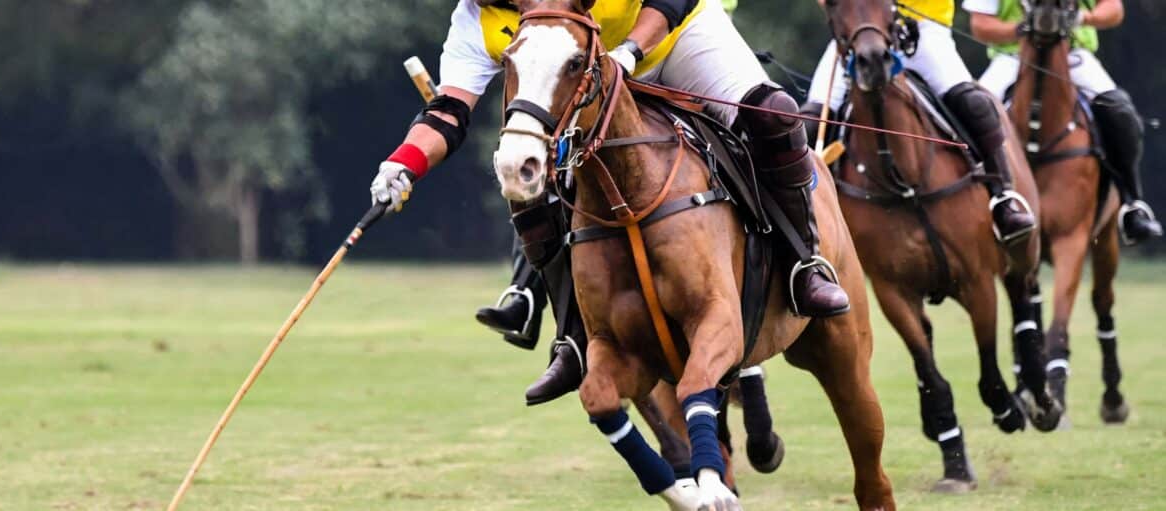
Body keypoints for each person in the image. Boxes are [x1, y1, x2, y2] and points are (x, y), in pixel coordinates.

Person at [372, 0, 850, 409]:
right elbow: (450, 110)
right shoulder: (473, 19)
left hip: (673, 41)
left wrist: (629, 52)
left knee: (774, 117)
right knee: (525, 177)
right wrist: (403, 163)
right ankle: (571, 336)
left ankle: (802, 263)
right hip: (583, 86)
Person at [804, 0, 1039, 244]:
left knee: (975, 104)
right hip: (861, 30)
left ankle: (1004, 198)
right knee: (811, 120)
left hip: (923, 28)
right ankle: (809, 218)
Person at [964, 0, 1162, 244]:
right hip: (1013, 56)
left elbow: (1113, 10)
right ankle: (978, 202)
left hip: (1072, 56)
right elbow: (980, 25)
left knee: (1119, 111)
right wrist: (1023, 28)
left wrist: (1082, 19)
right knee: (972, 112)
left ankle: (1132, 203)